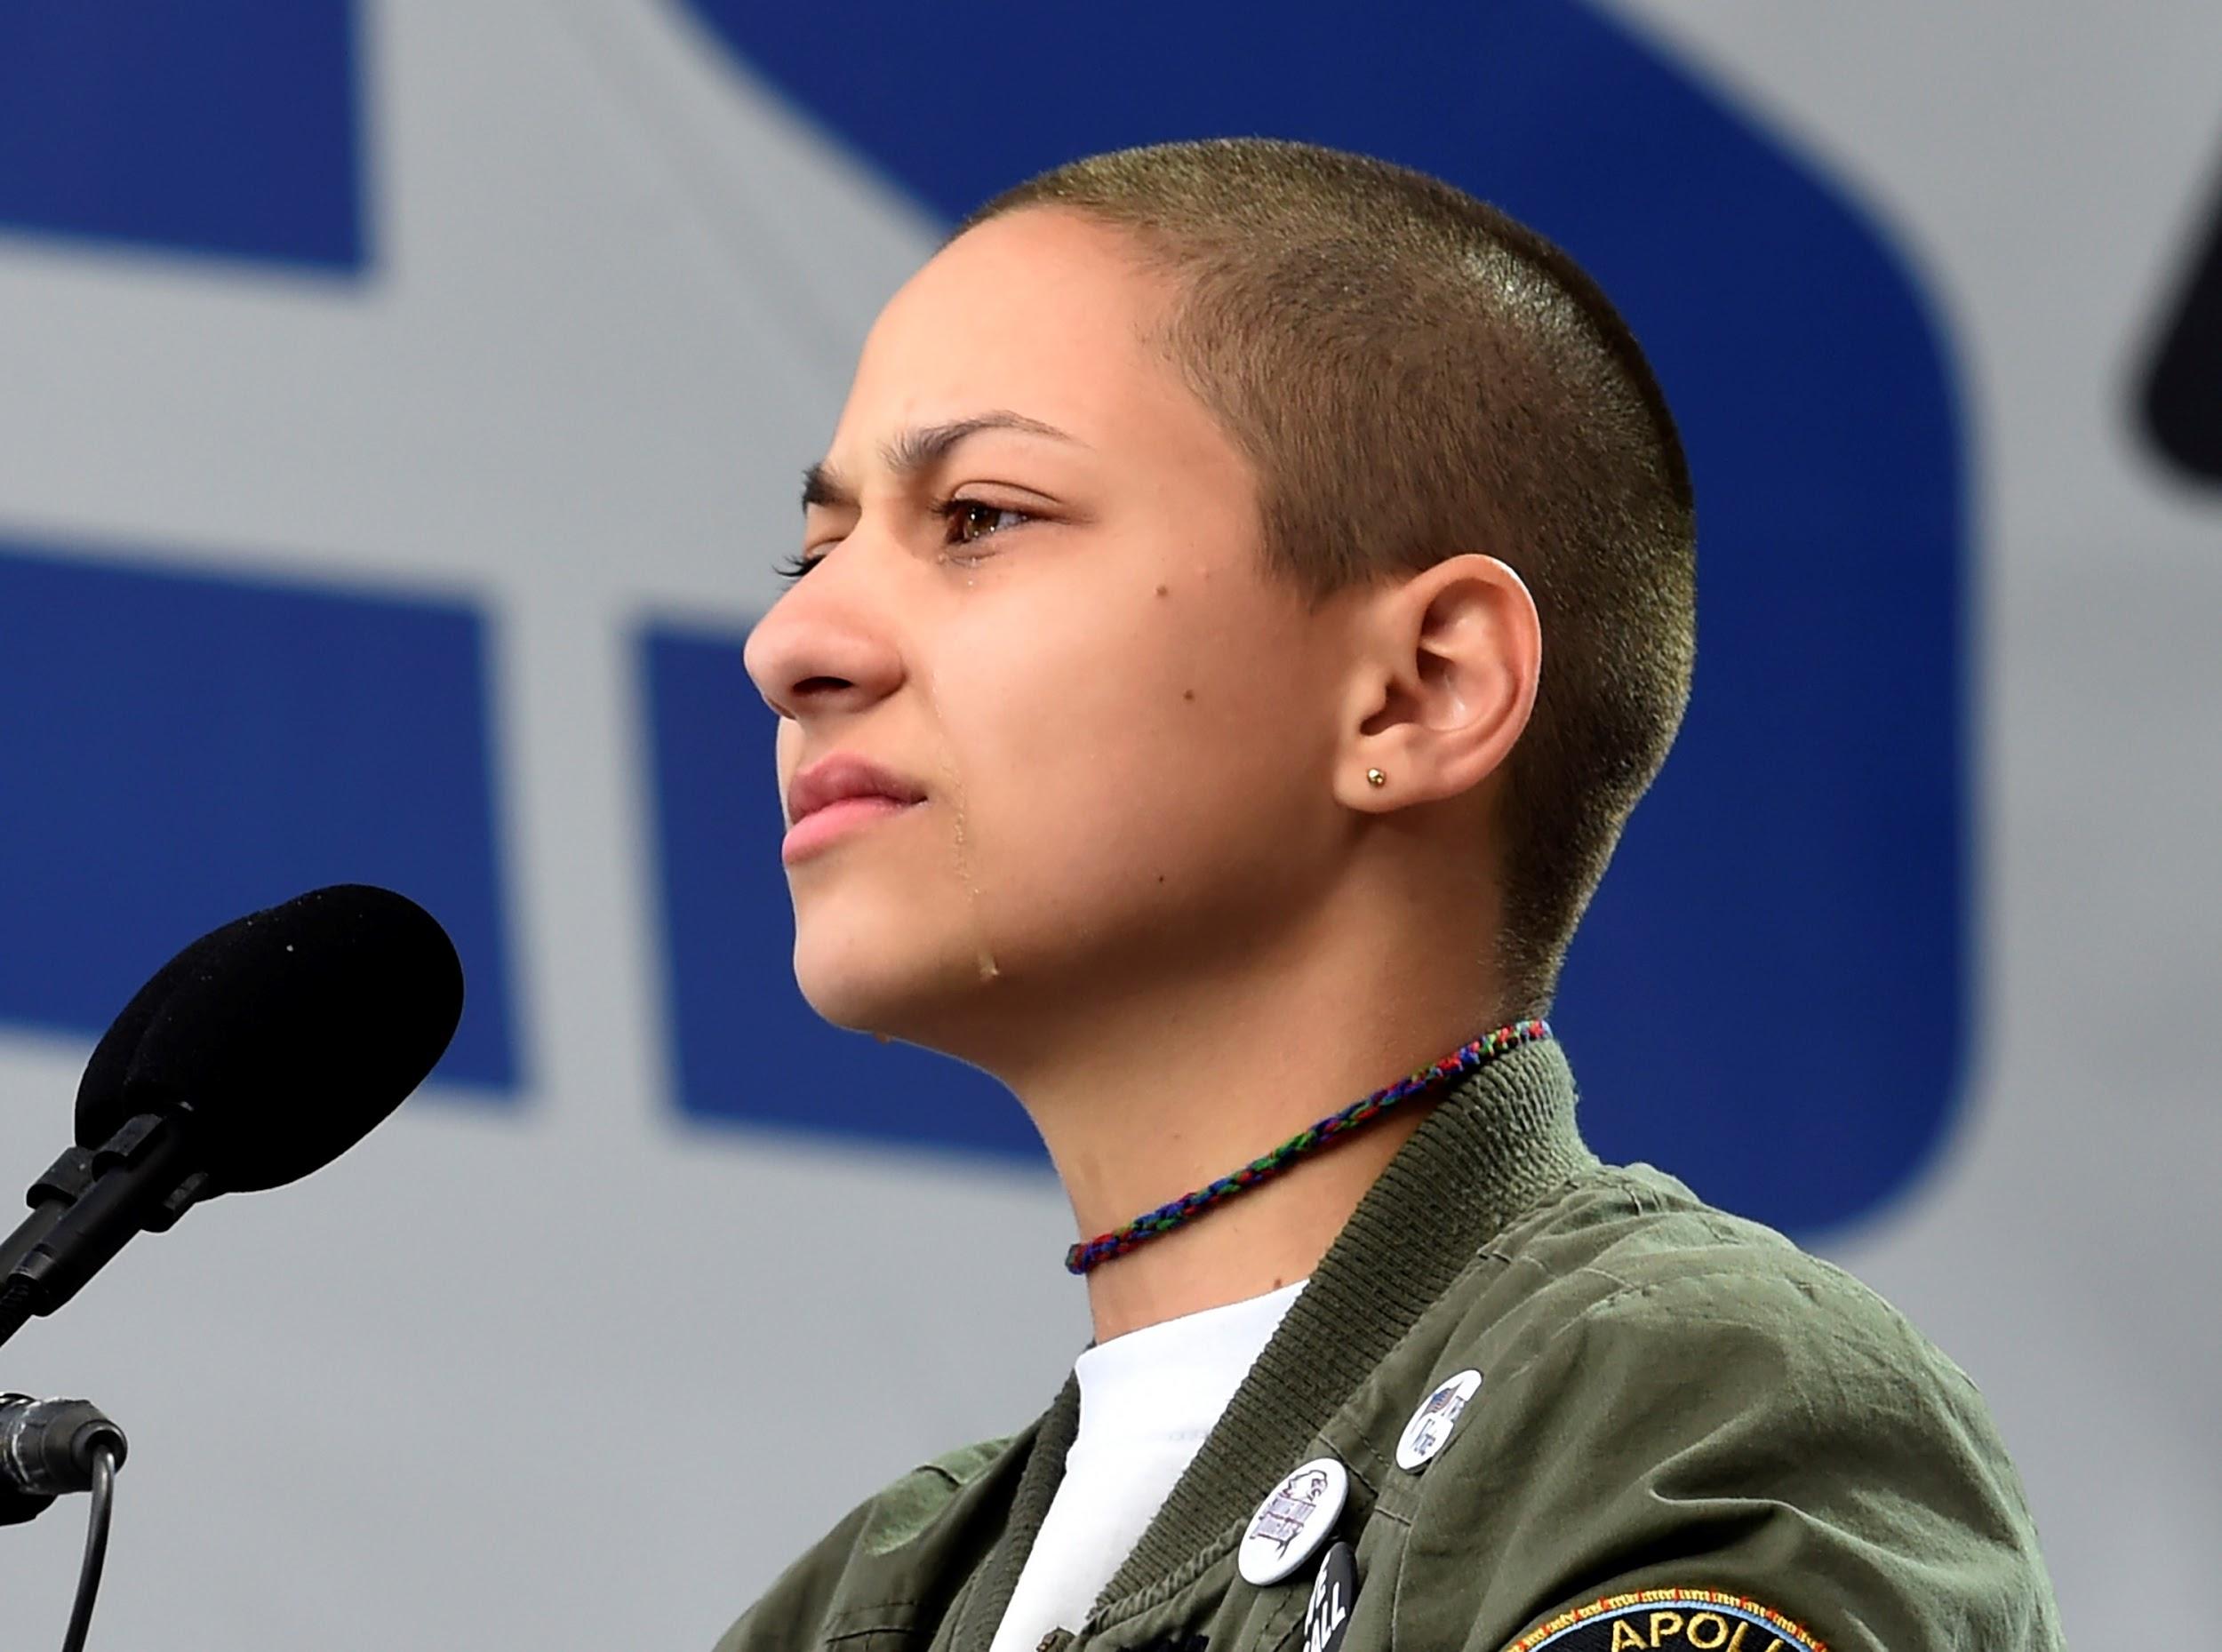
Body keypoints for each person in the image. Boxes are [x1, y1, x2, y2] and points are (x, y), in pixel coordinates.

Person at [729, 137, 2060, 1652]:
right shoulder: (862, 1607)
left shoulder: (1681, 1417)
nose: (792, 643)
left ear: (1421, 688)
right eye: (813, 551)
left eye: (980, 515)